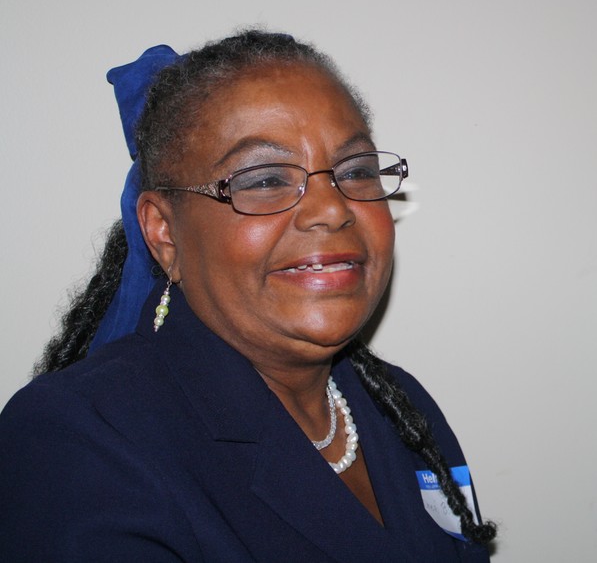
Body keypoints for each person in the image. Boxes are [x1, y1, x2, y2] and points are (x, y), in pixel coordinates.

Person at [0, 30, 496, 561]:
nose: (332, 209)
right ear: (165, 234)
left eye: (356, 172)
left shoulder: (400, 406)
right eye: (264, 180)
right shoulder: (78, 439)